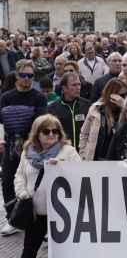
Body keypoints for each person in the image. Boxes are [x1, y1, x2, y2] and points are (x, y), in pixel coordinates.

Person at [14, 114, 81, 258]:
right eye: (46, 131)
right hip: (36, 213)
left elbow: (80, 176)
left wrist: (61, 167)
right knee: (29, 251)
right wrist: (23, 194)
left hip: (62, 214)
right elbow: (19, 175)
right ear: (37, 133)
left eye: (55, 131)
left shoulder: (68, 151)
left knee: (63, 253)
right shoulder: (27, 151)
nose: (51, 134)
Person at [0, 60, 47, 236]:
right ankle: (12, 219)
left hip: (32, 146)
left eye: (30, 76)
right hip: (11, 145)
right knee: (7, 181)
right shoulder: (6, 97)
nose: (27, 79)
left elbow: (40, 121)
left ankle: (34, 218)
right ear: (16, 76)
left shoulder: (39, 97)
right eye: (23, 75)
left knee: (33, 182)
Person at [78, 79, 127, 161]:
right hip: (96, 158)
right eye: (122, 95)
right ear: (112, 95)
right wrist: (83, 154)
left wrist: (124, 108)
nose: (125, 98)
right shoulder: (96, 108)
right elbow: (84, 133)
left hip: (118, 160)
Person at [47, 72, 91, 149]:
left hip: (83, 153)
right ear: (64, 88)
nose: (78, 88)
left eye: (79, 84)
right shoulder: (52, 108)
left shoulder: (87, 105)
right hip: (62, 153)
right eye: (74, 85)